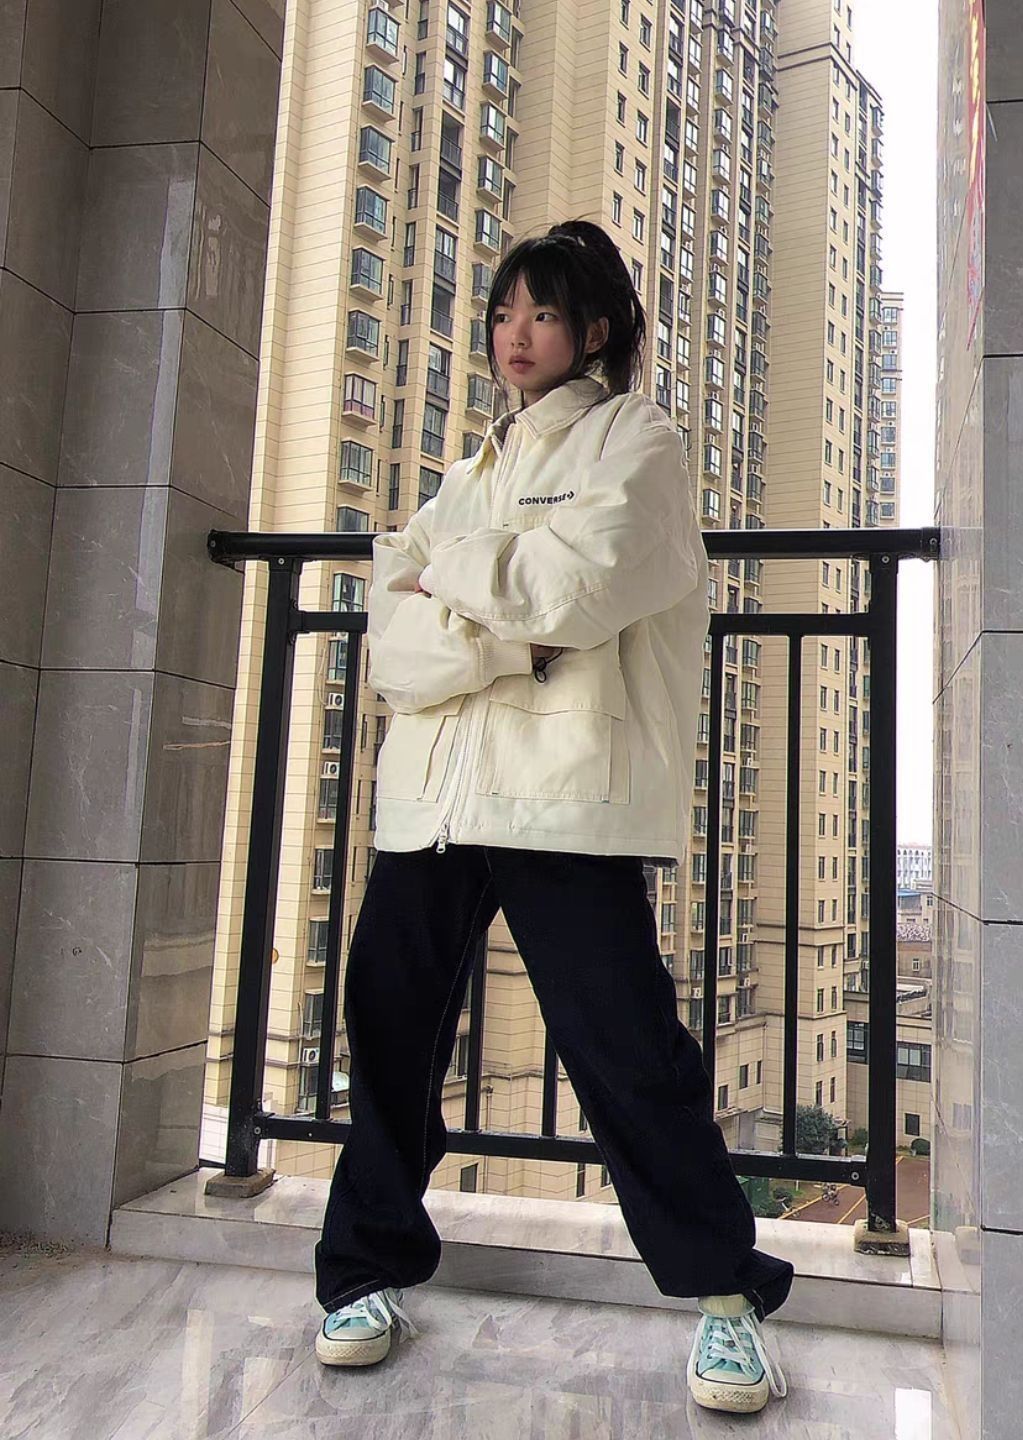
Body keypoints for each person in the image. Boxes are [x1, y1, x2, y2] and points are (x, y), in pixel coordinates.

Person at [313, 219, 794, 1416]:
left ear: (595, 329)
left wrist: (448, 577)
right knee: (388, 1030)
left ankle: (725, 1299)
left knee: (625, 1049)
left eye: (541, 313)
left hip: (565, 795)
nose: (514, 334)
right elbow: (394, 646)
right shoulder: (469, 473)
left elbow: (580, 589)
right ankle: (363, 1273)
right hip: (433, 797)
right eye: (502, 313)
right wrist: (499, 633)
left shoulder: (640, 442)